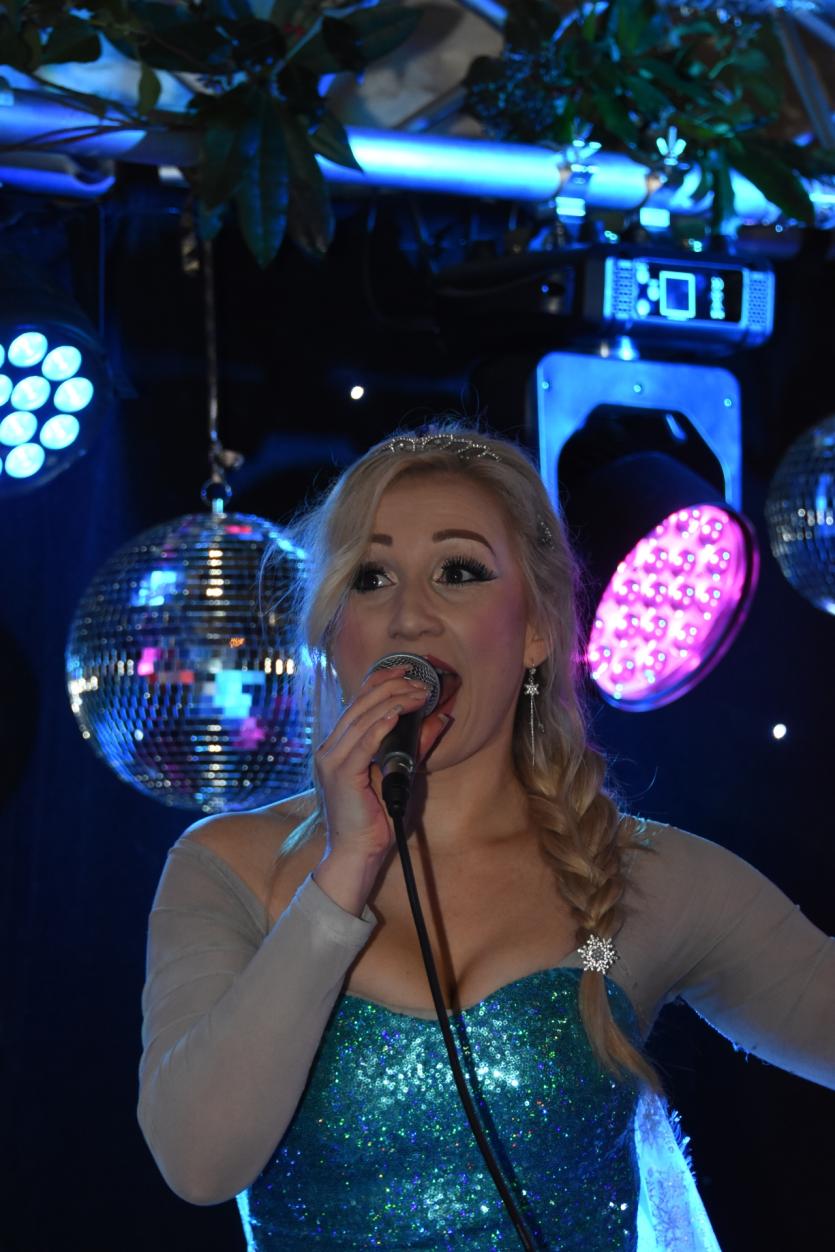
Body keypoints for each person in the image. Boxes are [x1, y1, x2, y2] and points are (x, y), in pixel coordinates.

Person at [138, 425, 835, 1252]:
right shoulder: (230, 866)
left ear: (535, 628)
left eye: (458, 572)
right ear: (333, 633)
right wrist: (343, 875)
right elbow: (198, 1162)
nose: (408, 615)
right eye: (369, 578)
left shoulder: (639, 877)